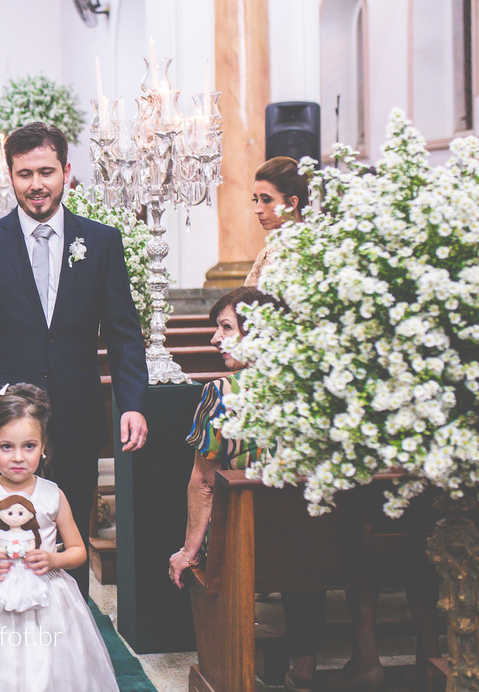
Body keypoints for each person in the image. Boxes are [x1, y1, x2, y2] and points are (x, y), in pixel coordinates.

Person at [0, 120, 149, 598]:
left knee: (68, 539)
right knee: (4, 536)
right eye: (24, 173)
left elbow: (124, 333)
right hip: (5, 424)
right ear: (10, 175)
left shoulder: (101, 242)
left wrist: (132, 402)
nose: (36, 184)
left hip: (76, 413)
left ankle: (70, 627)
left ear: (66, 172)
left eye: (46, 172)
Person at [167, 287, 326, 692]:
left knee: (230, 541)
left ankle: (234, 666)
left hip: (243, 539)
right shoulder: (312, 388)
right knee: (303, 547)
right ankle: (303, 669)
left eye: (226, 328)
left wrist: (187, 553)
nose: (215, 338)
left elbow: (204, 483)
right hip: (311, 537)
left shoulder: (221, 393)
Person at [0, 384, 116, 691]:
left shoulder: (53, 495)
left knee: (46, 667)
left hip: (46, 600)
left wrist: (54, 559)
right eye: (6, 446)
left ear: (43, 446)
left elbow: (78, 551)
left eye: (29, 446)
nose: (18, 457)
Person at [247, 156, 308, 287]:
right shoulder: (266, 255)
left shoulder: (313, 251)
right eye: (256, 200)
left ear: (292, 202)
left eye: (266, 200)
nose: (257, 210)